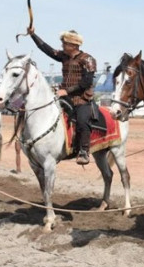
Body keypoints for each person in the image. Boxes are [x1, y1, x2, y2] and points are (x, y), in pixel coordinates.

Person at [27, 27, 97, 165]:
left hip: (81, 98)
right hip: (63, 97)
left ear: (73, 45)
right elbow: (46, 49)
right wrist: (33, 34)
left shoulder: (88, 59)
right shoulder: (63, 57)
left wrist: (67, 91)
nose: (62, 46)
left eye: (64, 43)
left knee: (82, 121)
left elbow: (87, 82)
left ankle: (83, 151)